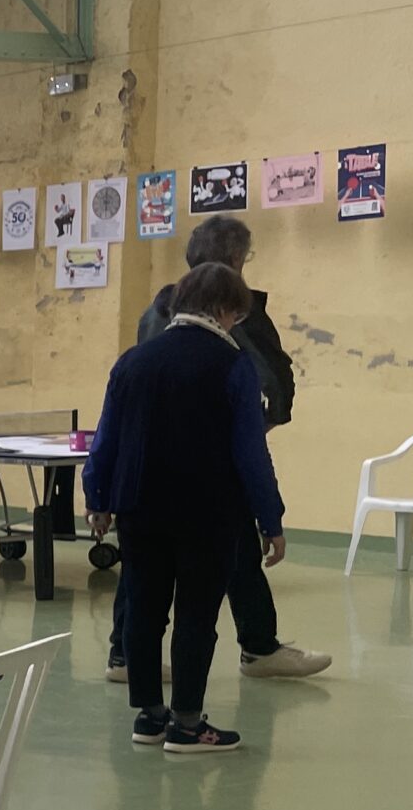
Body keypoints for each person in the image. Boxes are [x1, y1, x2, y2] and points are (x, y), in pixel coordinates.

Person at [106, 217, 329, 684]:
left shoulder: (154, 315)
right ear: (235, 261)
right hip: (209, 471)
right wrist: (271, 513)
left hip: (147, 472)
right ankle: (250, 653)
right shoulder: (231, 317)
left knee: (144, 565)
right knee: (217, 569)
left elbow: (115, 421)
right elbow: (270, 379)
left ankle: (127, 658)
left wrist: (99, 494)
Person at [83, 261, 287, 755]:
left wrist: (97, 498)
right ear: (224, 309)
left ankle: (149, 717)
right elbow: (250, 452)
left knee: (143, 608)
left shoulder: (132, 361)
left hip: (138, 505)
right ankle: (189, 725)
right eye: (237, 314)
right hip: (207, 509)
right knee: (197, 614)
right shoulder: (233, 364)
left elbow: (106, 438)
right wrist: (270, 518)